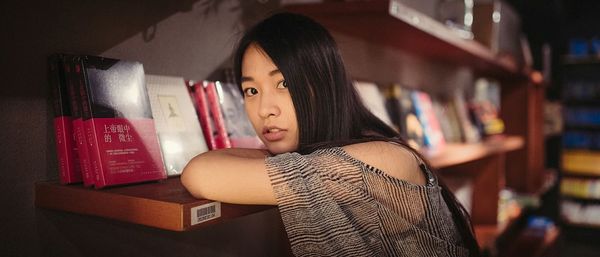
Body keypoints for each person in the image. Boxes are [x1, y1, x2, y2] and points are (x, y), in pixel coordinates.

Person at [181, 12, 479, 257]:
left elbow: (199, 173)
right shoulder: (327, 157)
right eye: (252, 90)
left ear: (323, 85)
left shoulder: (381, 160)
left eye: (284, 84)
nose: (264, 110)